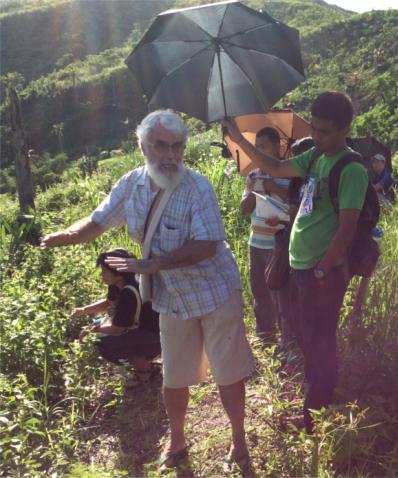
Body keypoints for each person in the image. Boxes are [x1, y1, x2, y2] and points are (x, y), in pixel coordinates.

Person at [40, 110, 255, 471]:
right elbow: (98, 221)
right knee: (174, 374)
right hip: (172, 297)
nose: (171, 155)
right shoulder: (131, 185)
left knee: (227, 371)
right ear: (142, 147)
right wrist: (69, 236)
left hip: (215, 290)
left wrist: (152, 265)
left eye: (178, 147)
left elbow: (205, 245)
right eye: (161, 146)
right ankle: (177, 439)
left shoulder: (197, 186)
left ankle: (238, 438)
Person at [223, 91, 369, 432]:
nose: (317, 137)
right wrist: (237, 138)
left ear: (345, 129)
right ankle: (317, 398)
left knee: (321, 339)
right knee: (305, 337)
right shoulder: (316, 156)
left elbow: (347, 228)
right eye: (314, 129)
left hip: (322, 272)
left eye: (326, 131)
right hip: (301, 266)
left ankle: (314, 414)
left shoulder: (351, 168)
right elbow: (273, 166)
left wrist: (323, 268)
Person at [239, 127, 293, 350]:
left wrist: (273, 188)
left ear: (278, 147)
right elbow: (244, 209)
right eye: (257, 147)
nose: (260, 151)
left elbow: (296, 206)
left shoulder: (289, 175)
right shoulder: (252, 175)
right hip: (256, 242)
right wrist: (254, 190)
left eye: (264, 146)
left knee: (280, 292)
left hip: (278, 244)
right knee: (259, 290)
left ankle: (286, 340)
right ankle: (265, 336)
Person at [72, 248, 161, 379]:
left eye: (104, 272)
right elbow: (108, 303)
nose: (101, 275)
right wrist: (84, 310)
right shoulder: (118, 283)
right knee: (97, 325)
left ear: (118, 274)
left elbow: (117, 329)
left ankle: (145, 370)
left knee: (102, 343)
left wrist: (91, 331)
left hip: (154, 337)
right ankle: (140, 361)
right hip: (137, 327)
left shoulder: (129, 293)